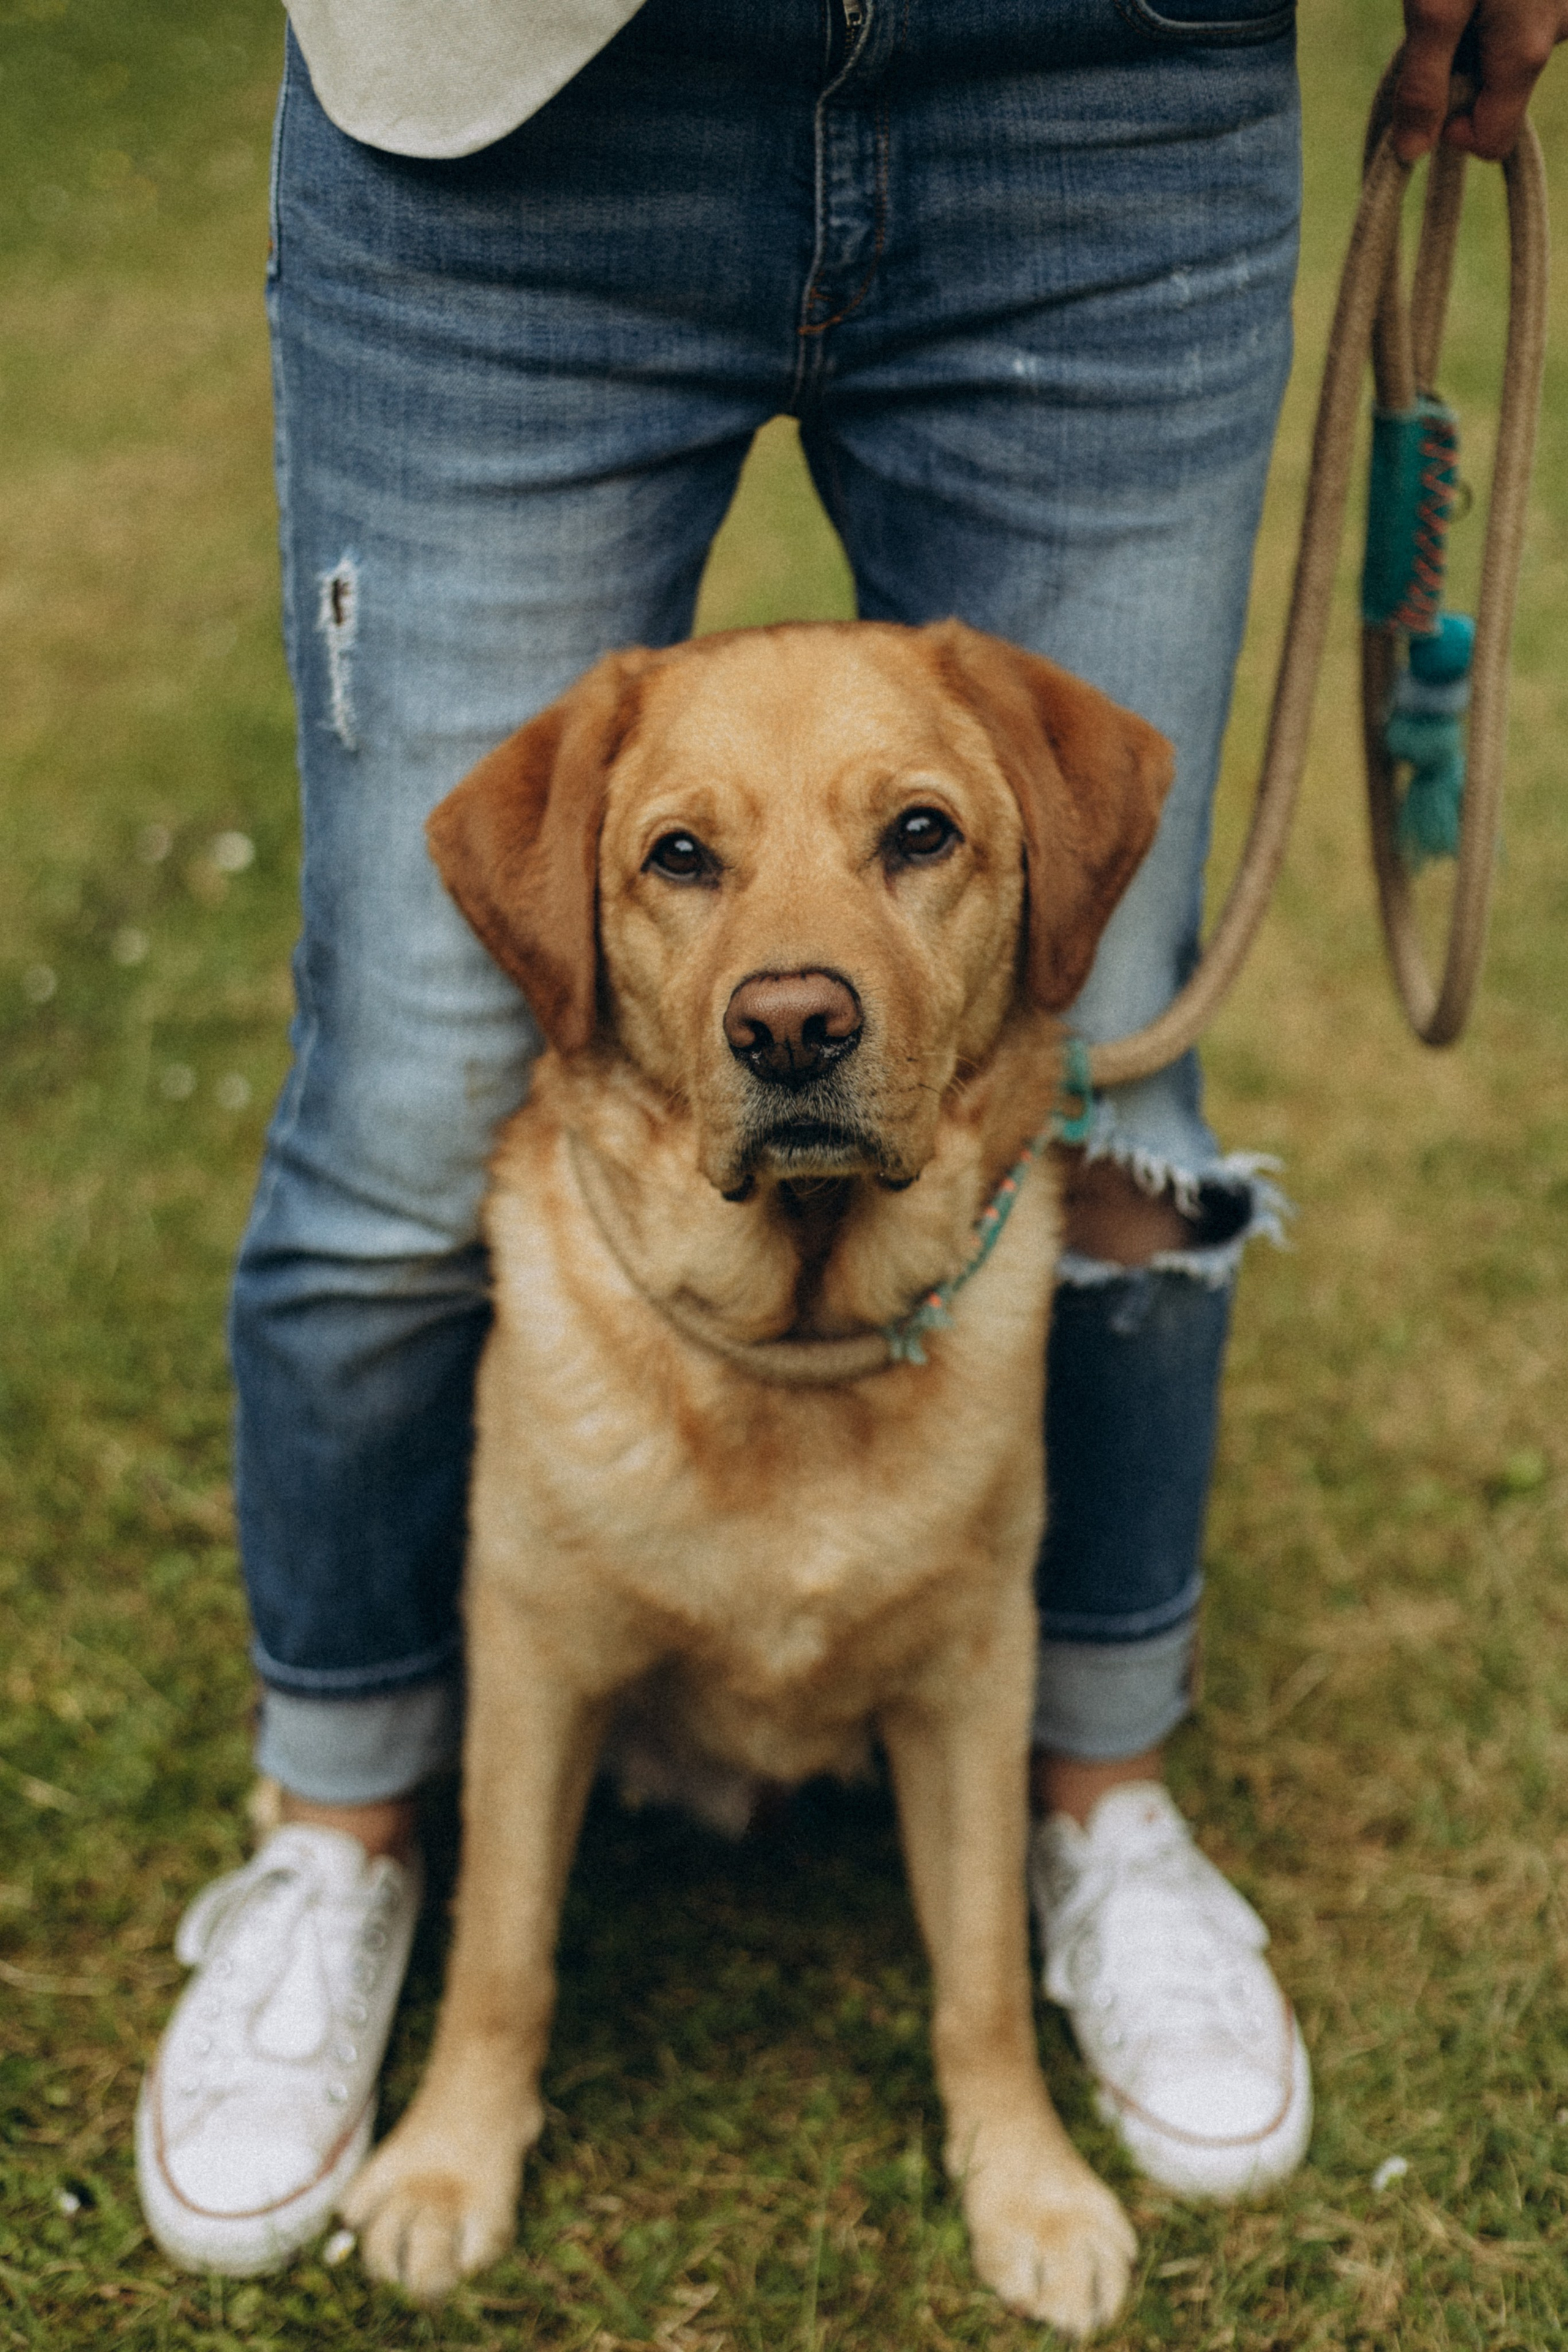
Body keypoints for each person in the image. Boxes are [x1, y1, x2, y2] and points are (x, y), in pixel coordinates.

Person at [134, 0, 1564, 2283]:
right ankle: (342, 1835)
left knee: (1120, 1110)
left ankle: (1098, 1805)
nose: (795, 991)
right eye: (687, 871)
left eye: (915, 843)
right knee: (407, 1108)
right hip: (507, 88)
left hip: (1113, 72)